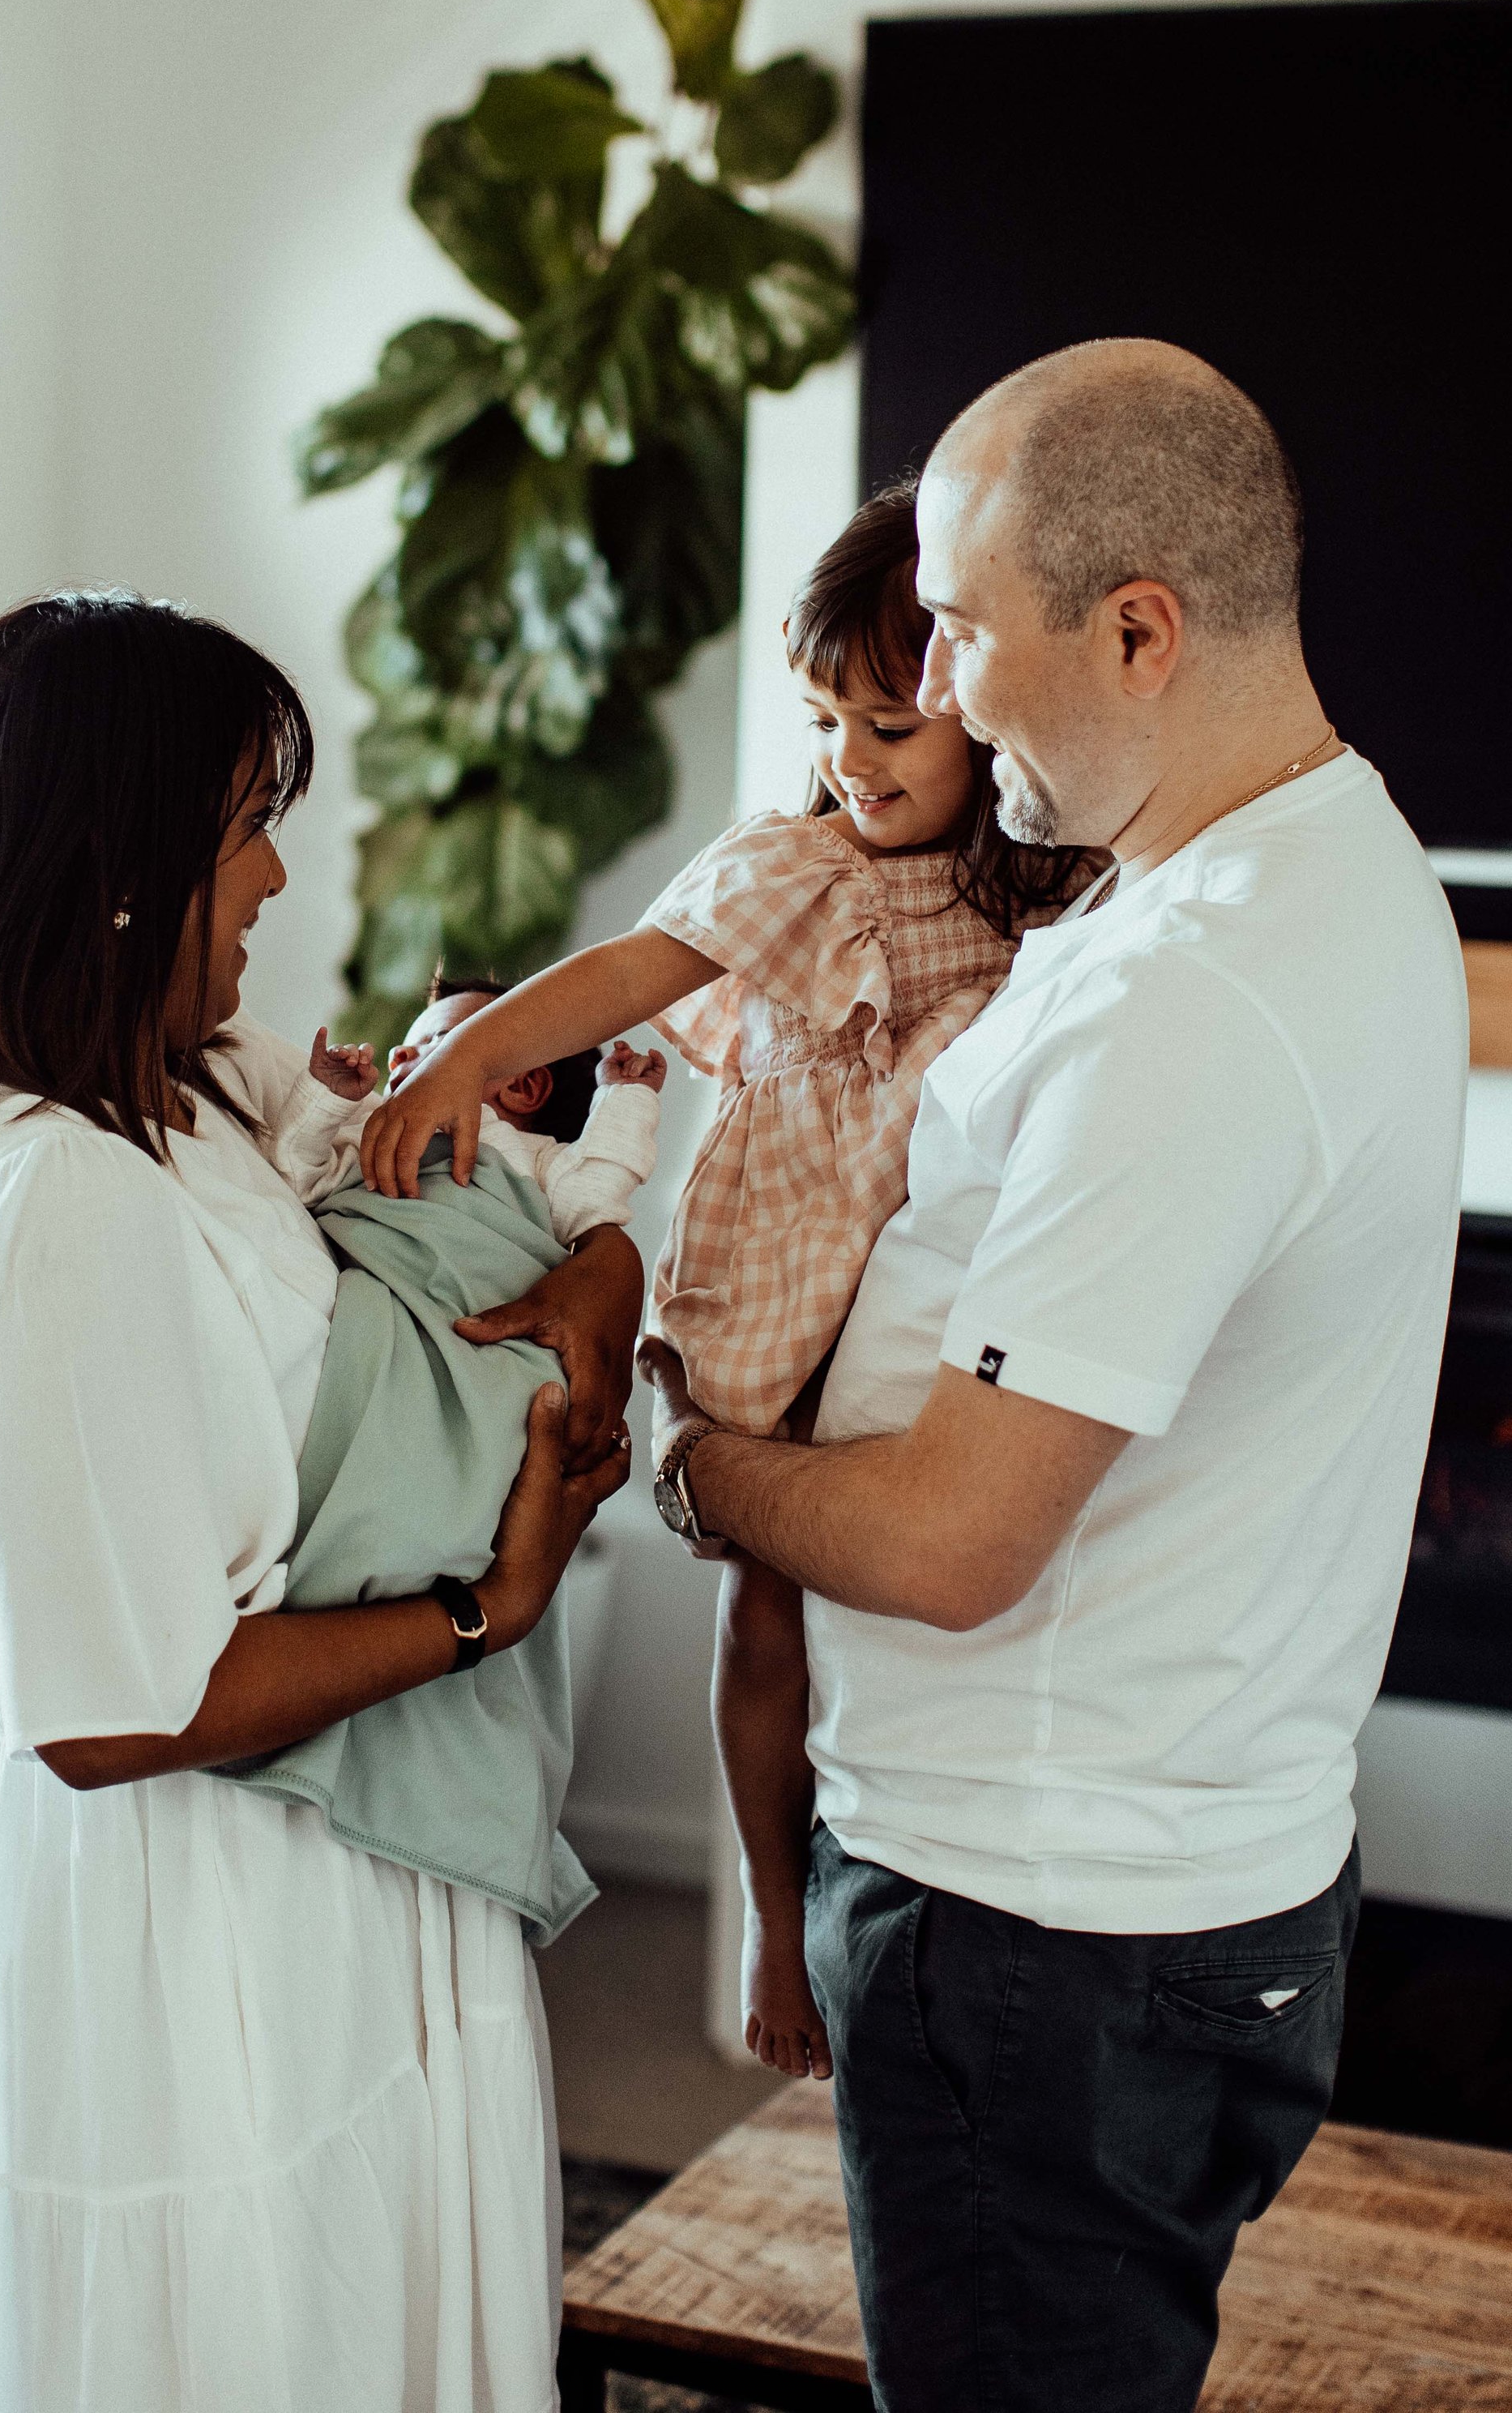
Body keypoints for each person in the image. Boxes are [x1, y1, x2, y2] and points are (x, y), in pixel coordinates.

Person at [643, 341, 1470, 2413]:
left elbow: (949, 1539)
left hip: (1038, 1935)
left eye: (959, 621)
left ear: (1136, 628)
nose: (932, 675)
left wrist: (687, 1463)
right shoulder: (1322, 863)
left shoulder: (1197, 991)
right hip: (1157, 1881)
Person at [0, 591, 639, 2413]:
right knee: (237, 2336)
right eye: (245, 830)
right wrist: (483, 1615)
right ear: (121, 861)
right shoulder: (47, 1199)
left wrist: (596, 1270)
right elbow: (112, 1712)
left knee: (380, 2318)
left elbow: (468, 1162)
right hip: (183, 1928)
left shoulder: (198, 1089)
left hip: (341, 1861)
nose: (280, 881)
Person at [361, 489, 1085, 2081]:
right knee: (766, 1619)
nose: (851, 758)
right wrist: (470, 1057)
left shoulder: (1044, 898)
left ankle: (951, 1904)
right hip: (776, 1281)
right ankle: (773, 1909)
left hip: (929, 1300)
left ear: (979, 710)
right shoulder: (796, 867)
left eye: (890, 723)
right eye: (827, 719)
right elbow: (626, 972)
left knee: (954, 1595)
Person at [271, 965, 666, 1244]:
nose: (397, 1052)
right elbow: (299, 1180)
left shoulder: (535, 1165)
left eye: (439, 1041)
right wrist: (326, 1099)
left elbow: (593, 1196)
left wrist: (625, 1095)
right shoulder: (375, 1137)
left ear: (524, 1087)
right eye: (407, 1045)